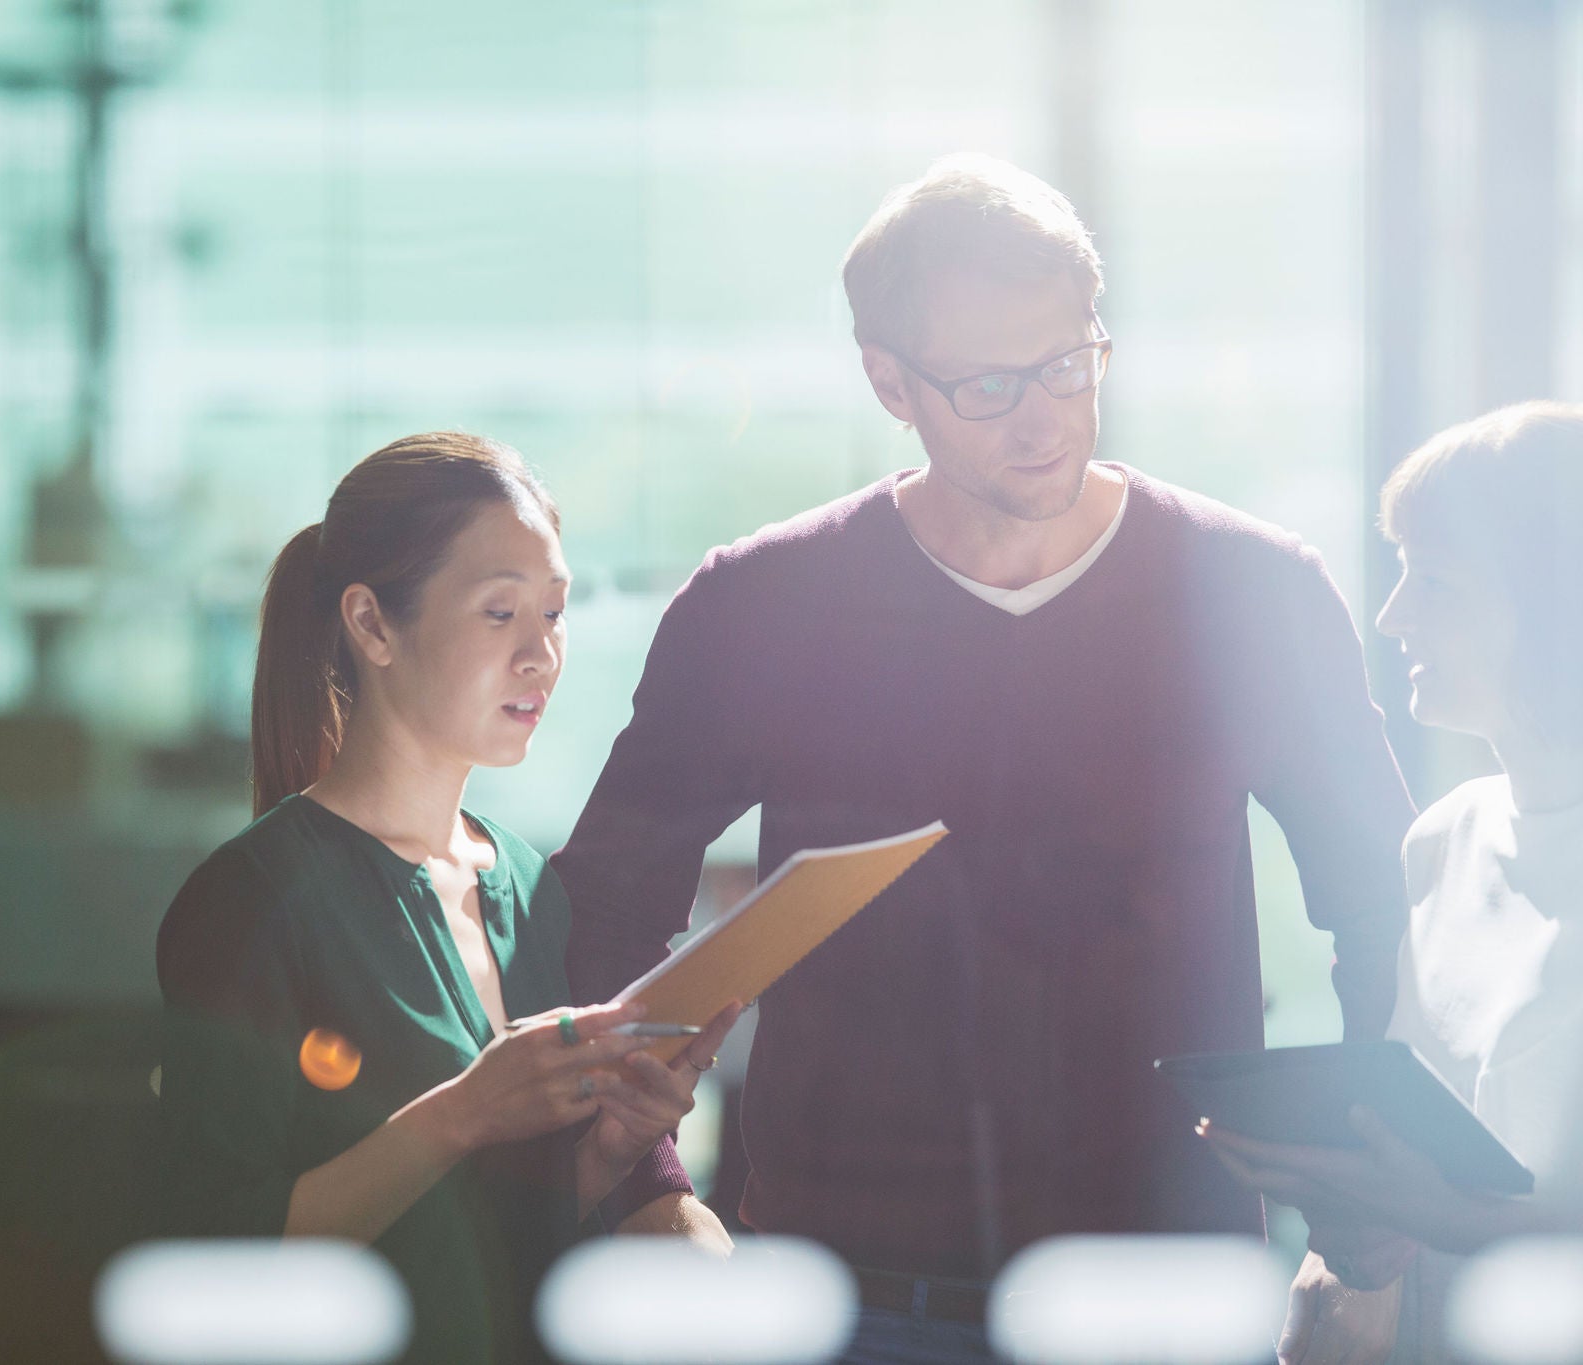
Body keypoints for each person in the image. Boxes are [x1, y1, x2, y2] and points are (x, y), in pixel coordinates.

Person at [550, 155, 1415, 1362]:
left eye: (1068, 362)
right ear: (887, 383)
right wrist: (642, 1186)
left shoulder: (1250, 592)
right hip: (838, 1301)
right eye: (989, 385)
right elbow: (596, 910)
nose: (1044, 413)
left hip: (1165, 1299)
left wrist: (1361, 1231)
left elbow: (1389, 913)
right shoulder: (763, 603)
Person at [155, 433, 740, 1365]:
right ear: (373, 625)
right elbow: (218, 1251)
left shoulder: (531, 887)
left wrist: (610, 1153)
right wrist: (461, 1111)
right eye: (500, 611)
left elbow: (509, 1222)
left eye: (554, 611)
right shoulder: (252, 899)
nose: (542, 653)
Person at [1203, 401, 1583, 1365]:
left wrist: (1437, 1217)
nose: (1392, 612)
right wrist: (1353, 1231)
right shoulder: (1444, 837)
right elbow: (1419, 1149)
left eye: (1437, 581)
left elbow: (1457, 1204)